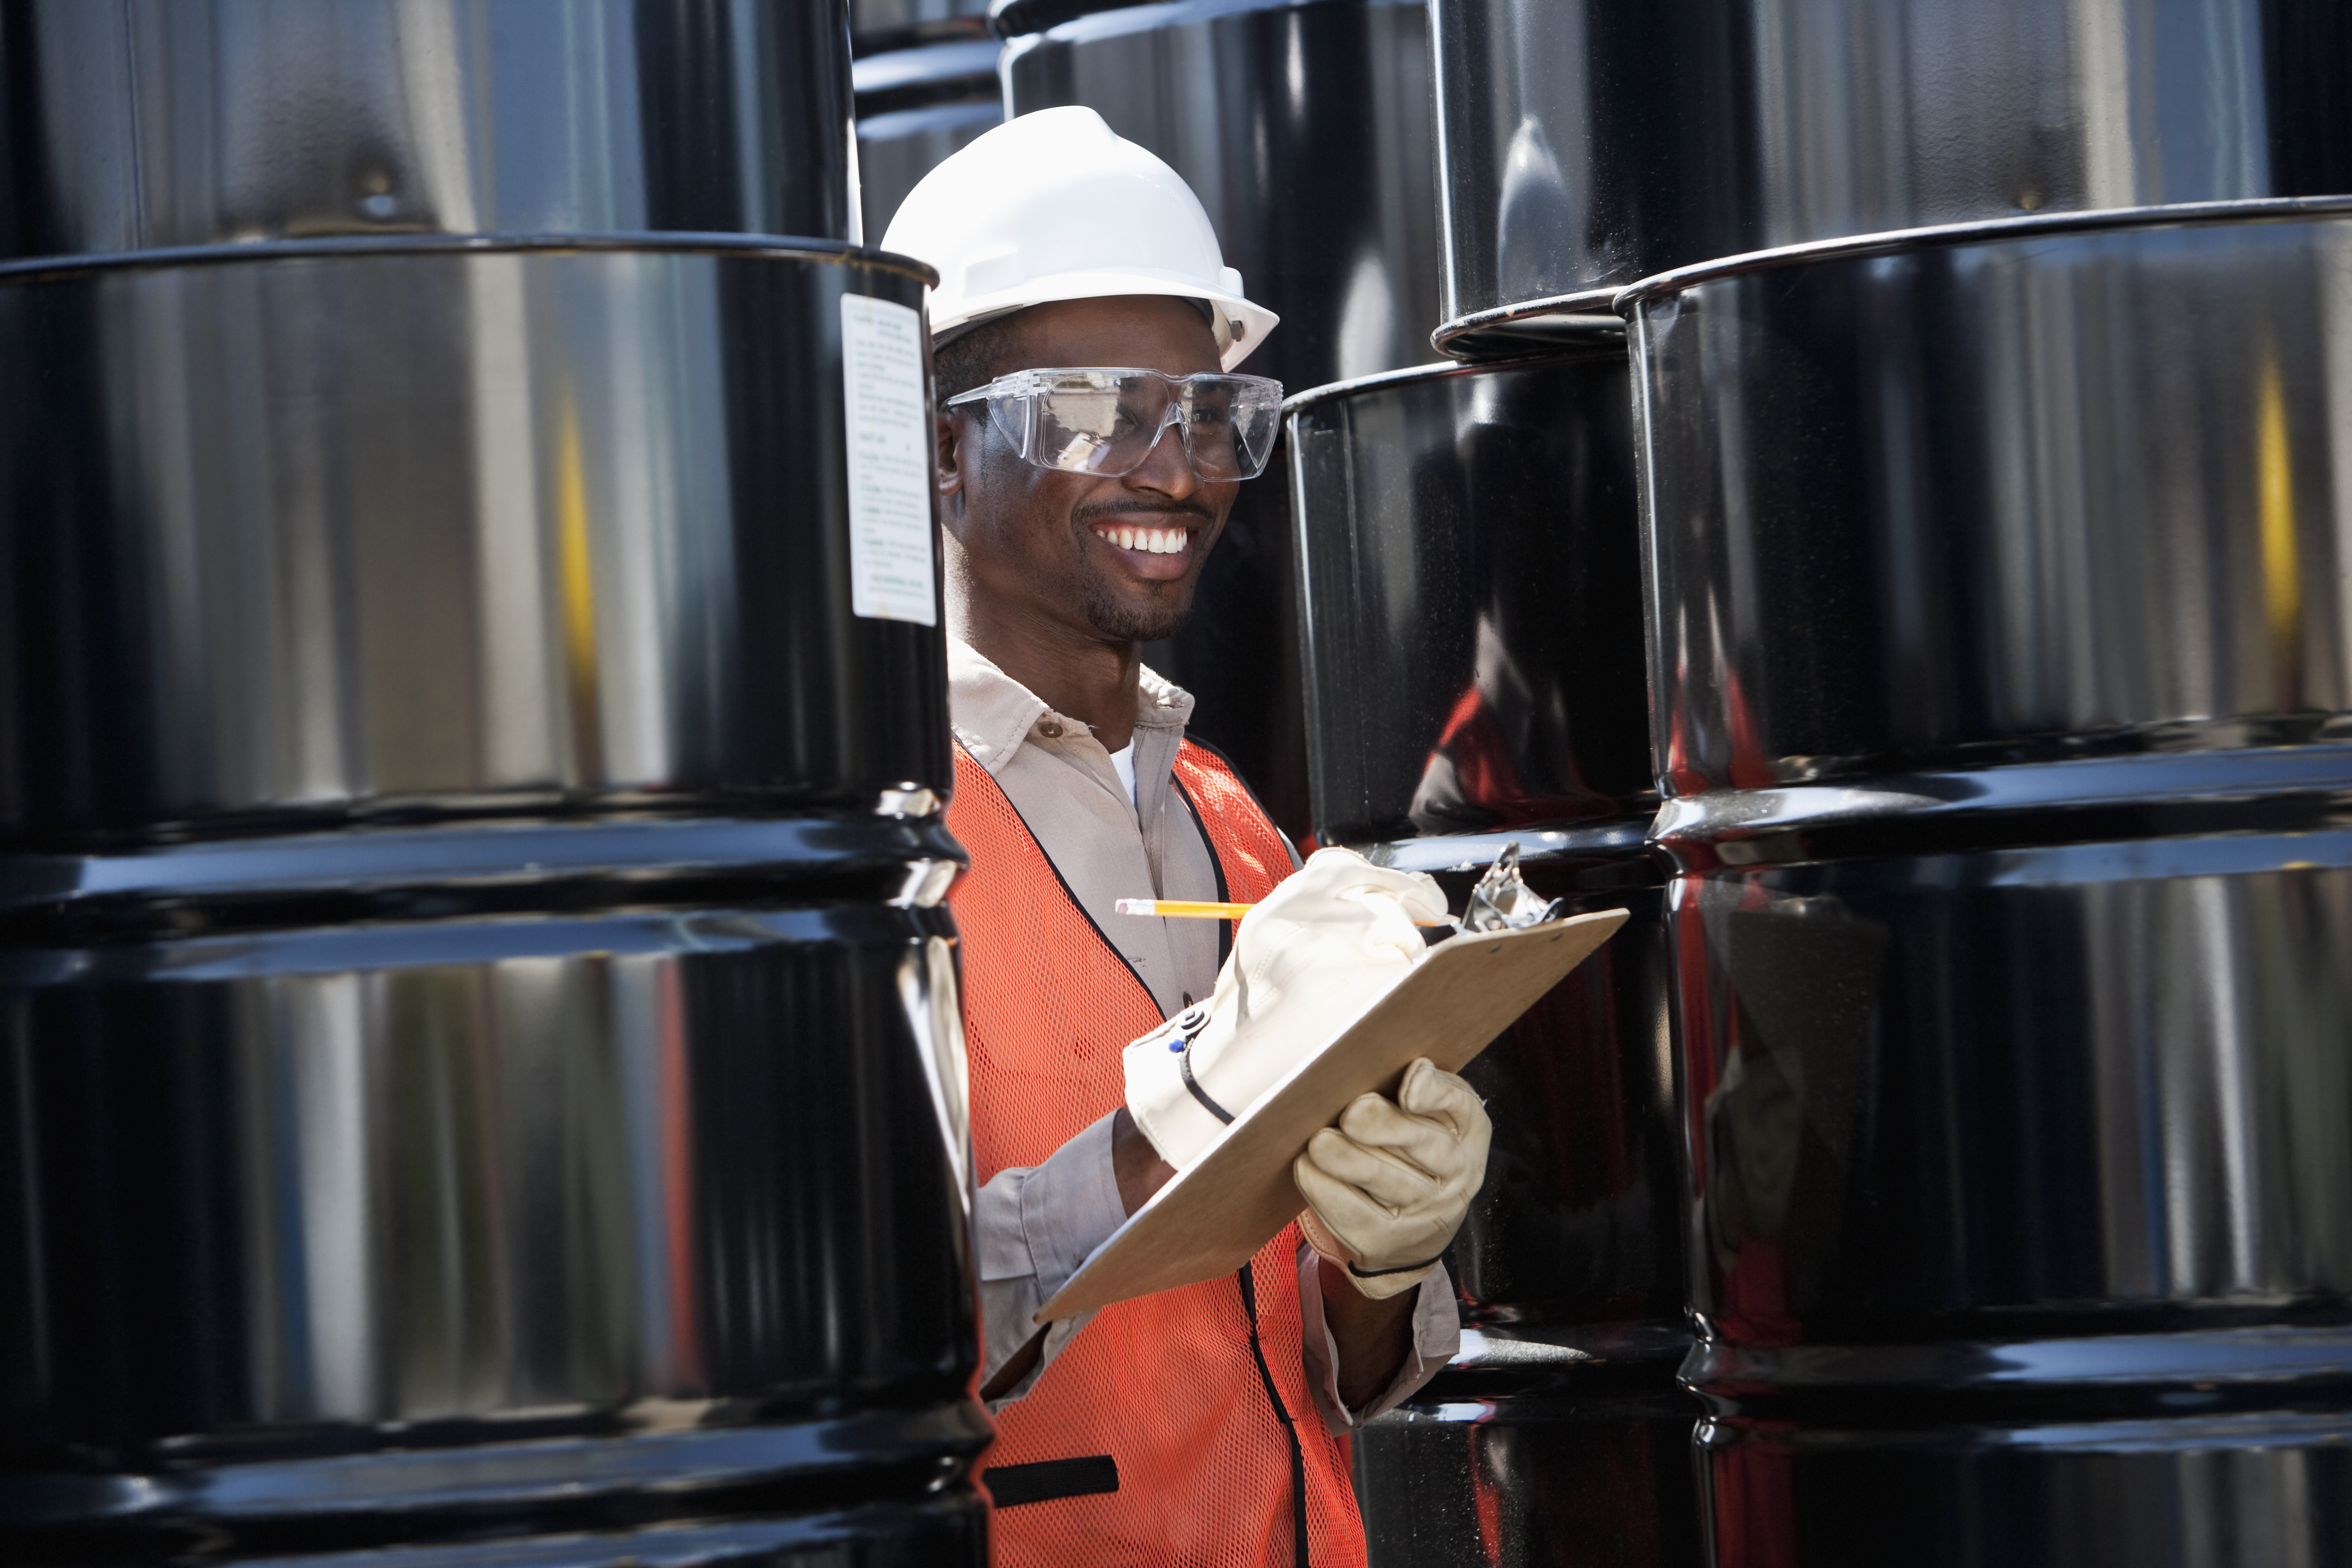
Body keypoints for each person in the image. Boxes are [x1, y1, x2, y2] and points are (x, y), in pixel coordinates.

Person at [884, 107, 1495, 1568]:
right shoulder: (873, 850)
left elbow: (1319, 1375)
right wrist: (1194, 1112)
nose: (1173, 471)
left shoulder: (1232, 826)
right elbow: (843, 1332)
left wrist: (1381, 1263)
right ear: (944, 450)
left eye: (1205, 413)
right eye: (1096, 411)